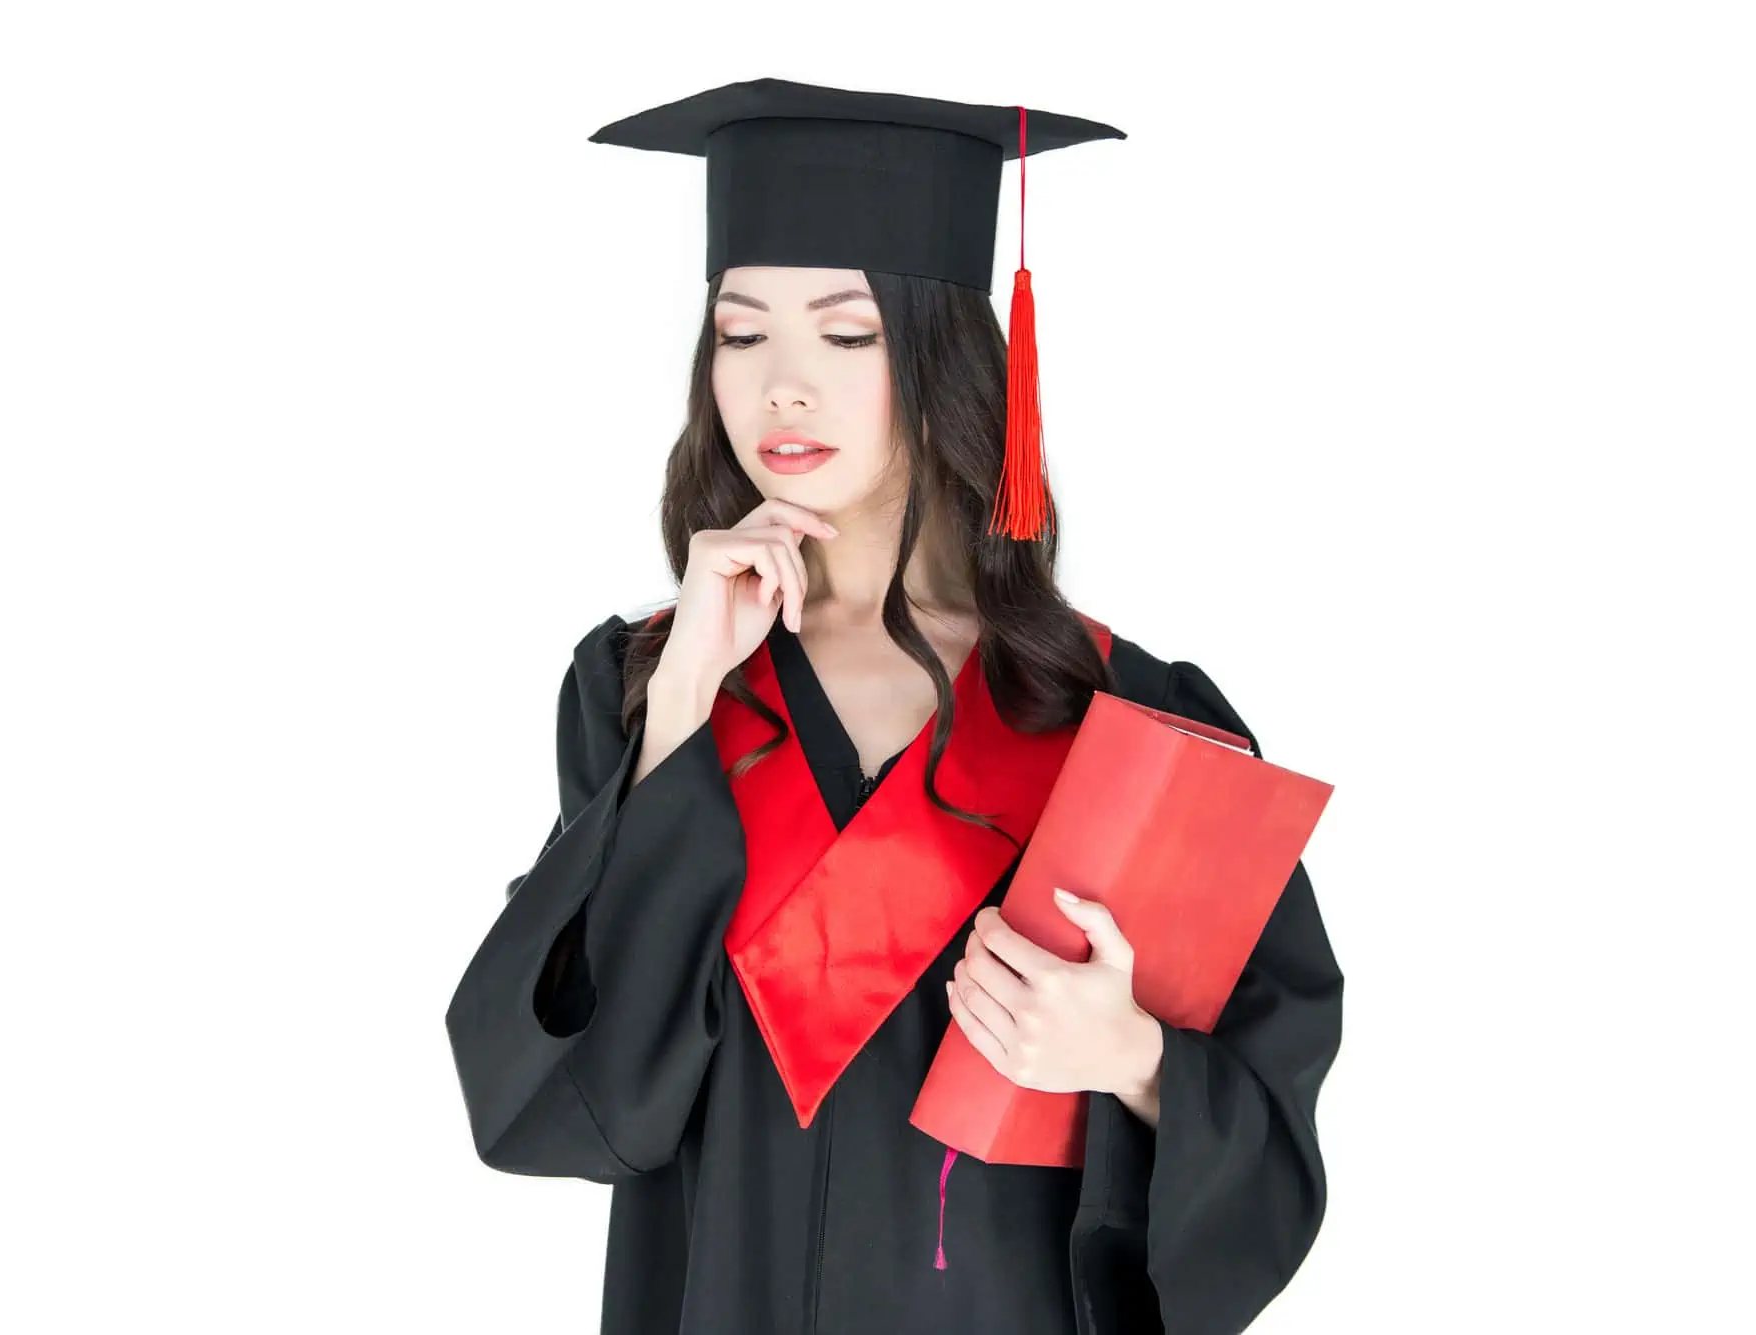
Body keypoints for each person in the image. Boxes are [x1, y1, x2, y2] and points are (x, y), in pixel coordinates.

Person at [445, 78, 1343, 1335]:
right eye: (740, 333)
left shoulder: (1121, 719)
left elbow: (1268, 1162)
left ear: (941, 356)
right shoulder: (644, 692)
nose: (781, 387)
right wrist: (685, 711)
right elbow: (568, 1111)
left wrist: (1133, 1067)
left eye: (845, 334)